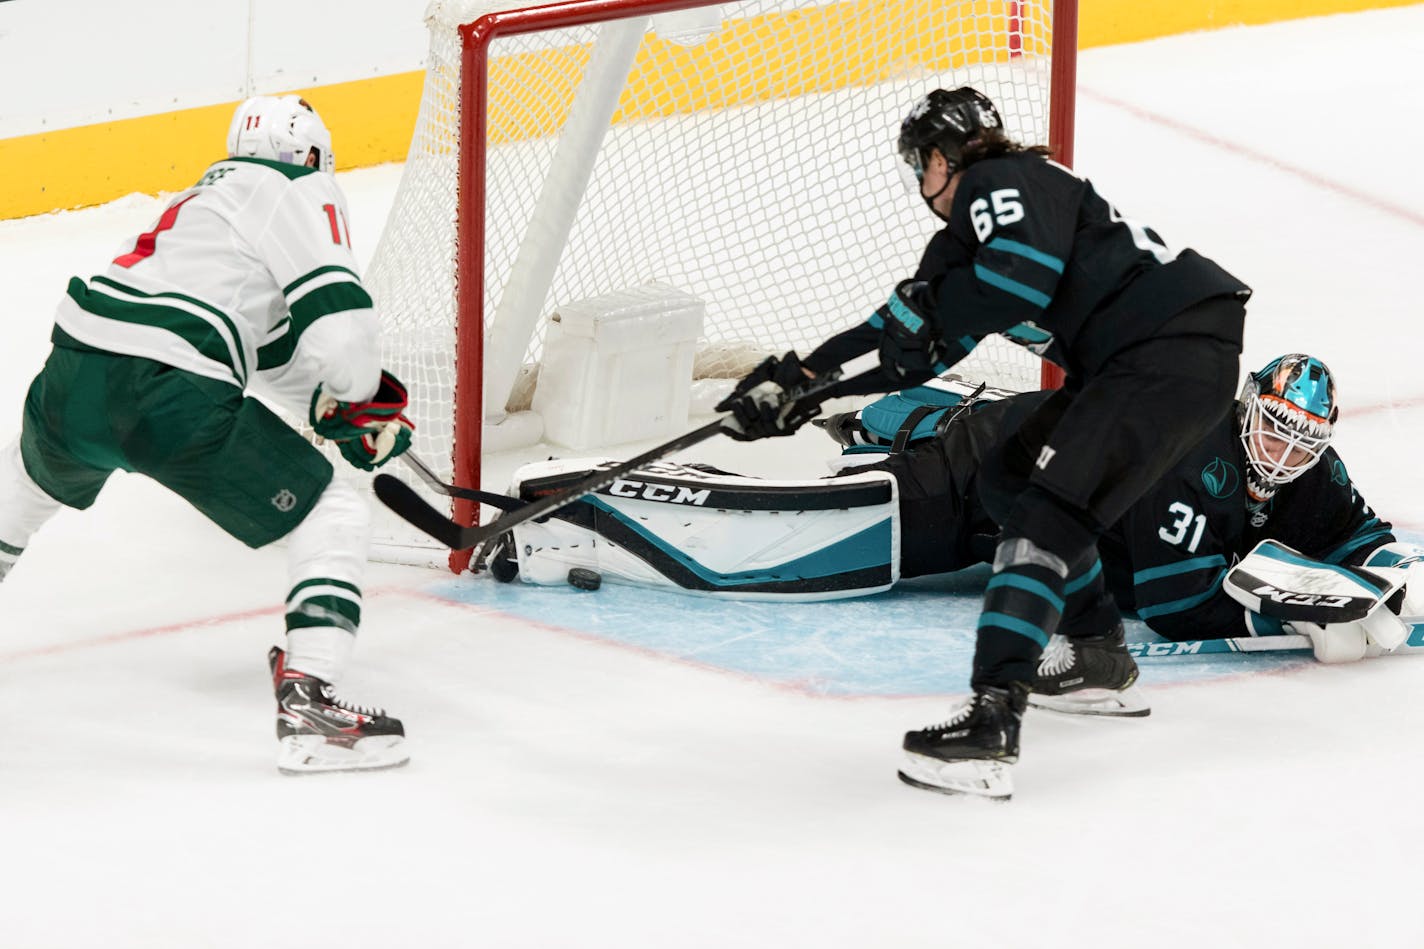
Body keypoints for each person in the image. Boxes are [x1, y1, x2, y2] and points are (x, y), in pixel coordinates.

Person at [714, 86, 1252, 798]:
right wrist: (805, 384)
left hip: (1160, 353)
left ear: (943, 157)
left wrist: (924, 321)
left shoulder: (999, 181)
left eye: (920, 166)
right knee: (1008, 475)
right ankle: (1096, 656)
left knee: (1043, 519)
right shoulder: (983, 225)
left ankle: (992, 721)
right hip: (1162, 357)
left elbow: (1016, 283)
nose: (919, 185)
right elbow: (923, 334)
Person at [0, 95, 414, 774]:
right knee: (331, 508)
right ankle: (311, 703)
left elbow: (269, 350)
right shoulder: (296, 186)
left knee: (14, 497)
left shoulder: (207, 204)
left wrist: (329, 408)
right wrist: (360, 401)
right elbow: (342, 340)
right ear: (314, 155)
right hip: (163, 389)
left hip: (72, 368)